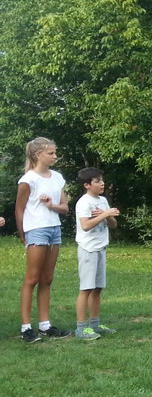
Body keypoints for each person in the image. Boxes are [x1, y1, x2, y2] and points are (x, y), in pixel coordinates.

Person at [16, 137, 72, 343]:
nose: (55, 156)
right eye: (51, 153)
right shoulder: (28, 180)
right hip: (36, 229)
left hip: (54, 229)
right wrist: (23, 234)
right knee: (32, 278)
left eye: (55, 152)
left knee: (47, 278)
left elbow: (65, 207)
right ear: (37, 155)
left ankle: (45, 325)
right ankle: (26, 327)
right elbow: (19, 209)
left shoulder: (57, 177)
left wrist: (51, 206)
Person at [74, 167, 120, 340]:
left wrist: (108, 215)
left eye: (102, 180)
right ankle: (81, 328)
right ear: (87, 185)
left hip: (101, 248)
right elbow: (85, 226)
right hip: (88, 249)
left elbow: (113, 225)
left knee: (97, 288)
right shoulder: (84, 202)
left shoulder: (103, 200)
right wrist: (105, 214)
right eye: (97, 181)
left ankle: (95, 324)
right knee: (86, 288)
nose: (102, 184)